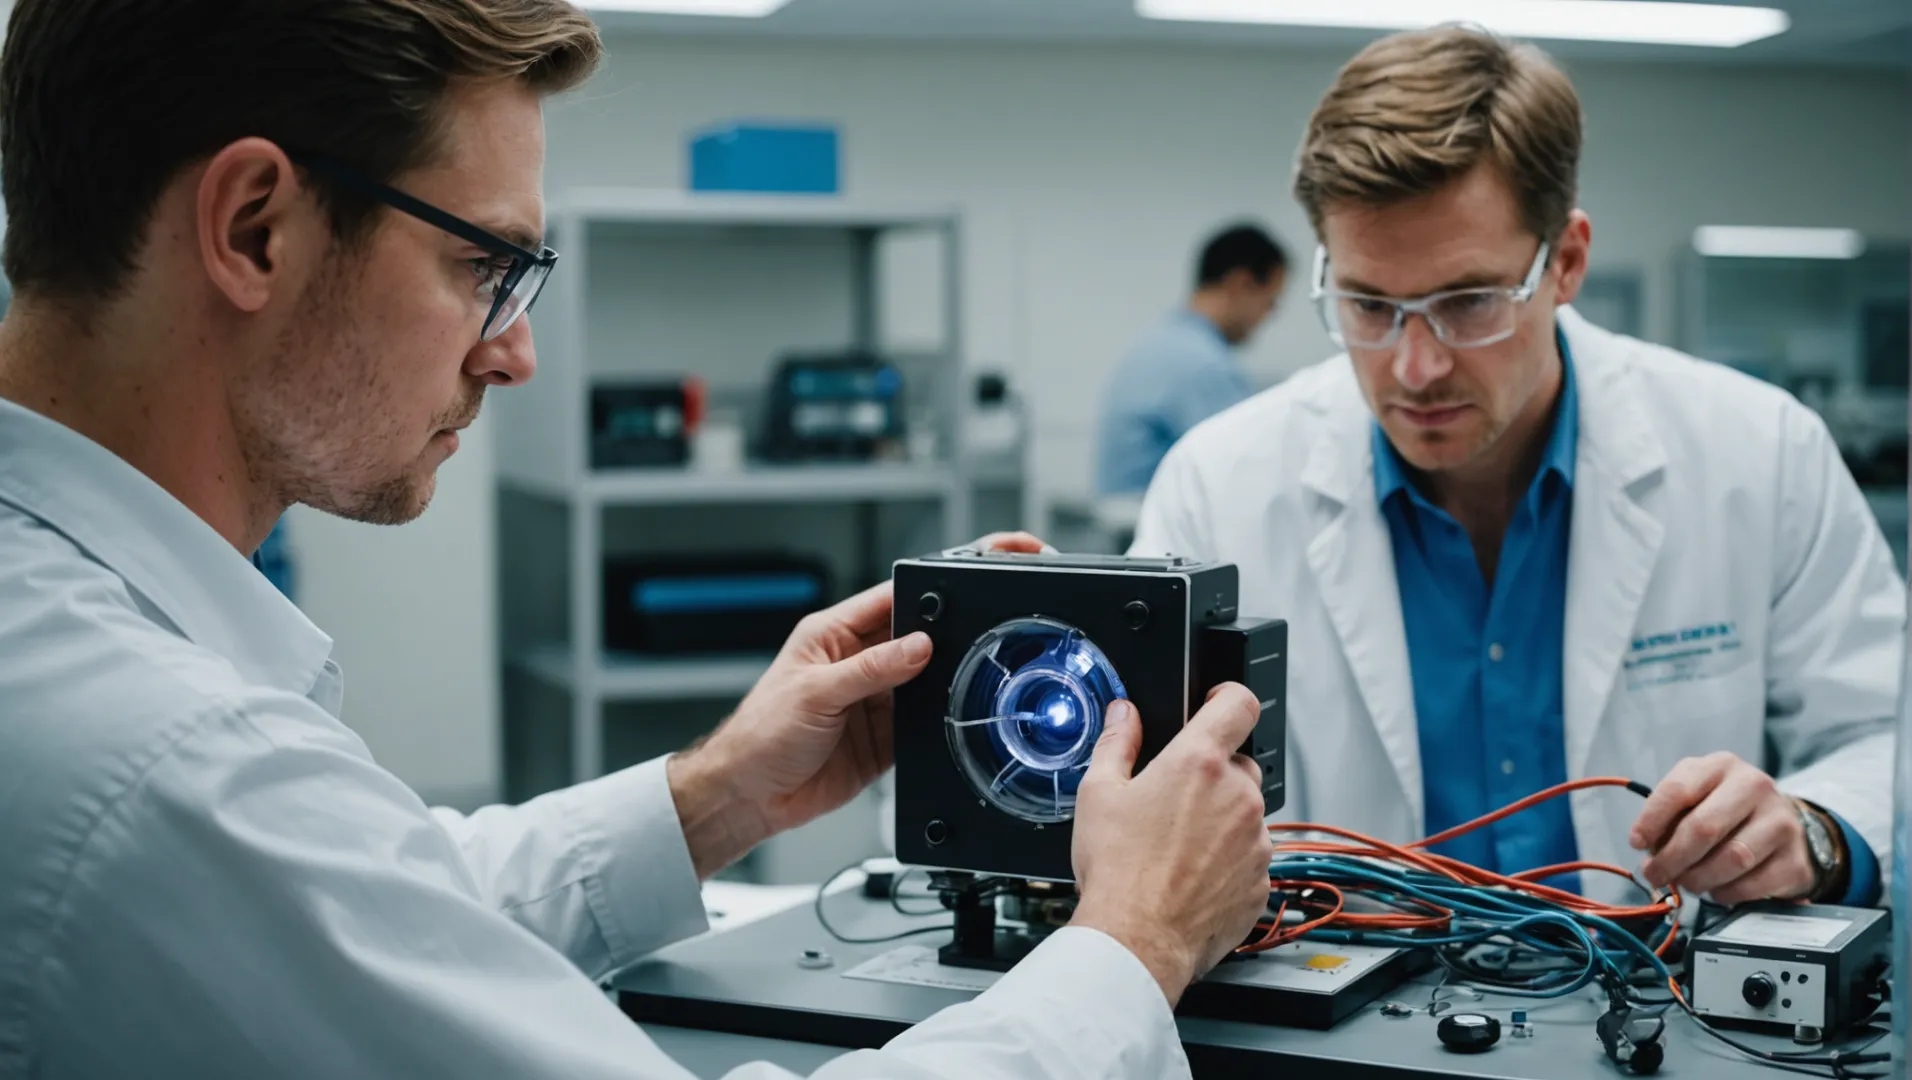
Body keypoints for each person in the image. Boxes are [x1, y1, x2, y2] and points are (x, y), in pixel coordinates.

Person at [0, 3, 1275, 1077]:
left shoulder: (78, 669)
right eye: (483, 264)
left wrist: (719, 793)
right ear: (253, 230)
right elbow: (258, 856)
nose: (514, 351)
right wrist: (1134, 942)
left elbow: (366, 911)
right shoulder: (156, 761)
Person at [1133, 27, 1900, 909]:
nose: (1414, 367)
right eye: (1368, 304)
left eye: (1467, 303)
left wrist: (1817, 828)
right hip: (1335, 1015)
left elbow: (1883, 731)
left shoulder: (1759, 454)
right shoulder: (1218, 483)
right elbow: (1146, 797)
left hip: (1672, 1007)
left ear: (1566, 261)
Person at [1094, 222, 1288, 497]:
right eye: (1270, 302)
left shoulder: (1162, 344)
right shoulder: (1203, 365)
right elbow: (1250, 474)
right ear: (1241, 284)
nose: (1269, 317)